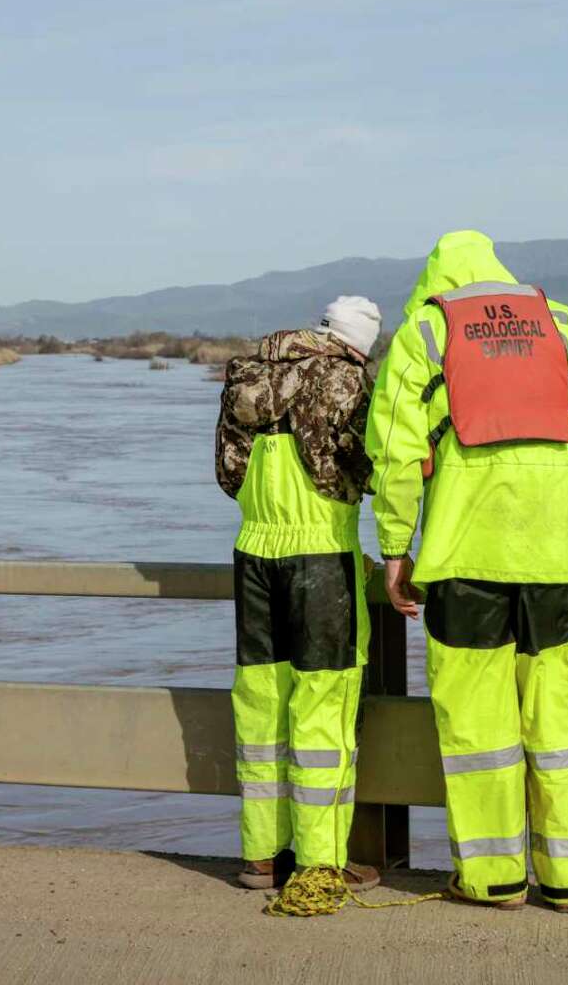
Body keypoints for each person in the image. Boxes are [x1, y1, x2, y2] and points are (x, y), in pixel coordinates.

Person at [366, 231, 568, 912]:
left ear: (437, 280)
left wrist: (396, 548)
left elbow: (394, 452)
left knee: (478, 727)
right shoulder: (565, 325)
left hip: (463, 561)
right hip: (555, 561)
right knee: (561, 717)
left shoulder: (427, 331)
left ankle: (493, 879)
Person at [215, 294, 384, 893]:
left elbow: (228, 472)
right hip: (320, 556)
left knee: (261, 704)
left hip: (253, 551)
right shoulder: (345, 380)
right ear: (359, 342)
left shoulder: (251, 371)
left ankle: (260, 856)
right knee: (324, 707)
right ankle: (319, 861)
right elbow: (371, 467)